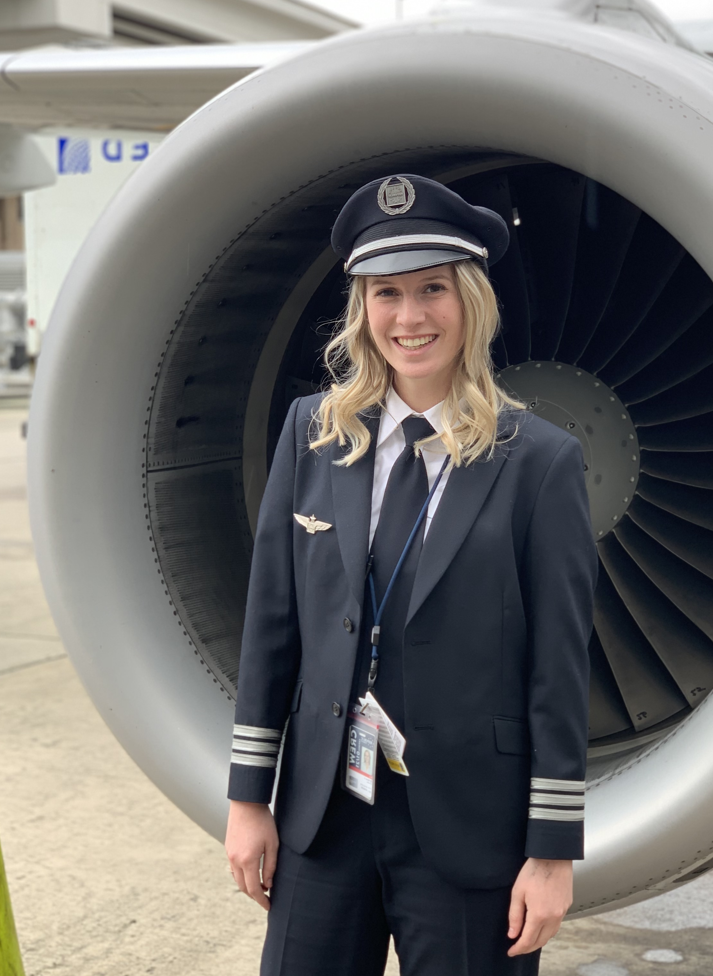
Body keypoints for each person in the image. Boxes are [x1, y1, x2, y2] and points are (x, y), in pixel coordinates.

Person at [225, 173, 599, 976]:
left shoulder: (539, 463)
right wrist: (248, 798)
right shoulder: (310, 436)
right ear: (362, 310)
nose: (410, 317)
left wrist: (550, 852)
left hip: (470, 827)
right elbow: (272, 626)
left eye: (433, 288)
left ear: (470, 301)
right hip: (325, 815)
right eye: (386, 293)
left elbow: (558, 672)